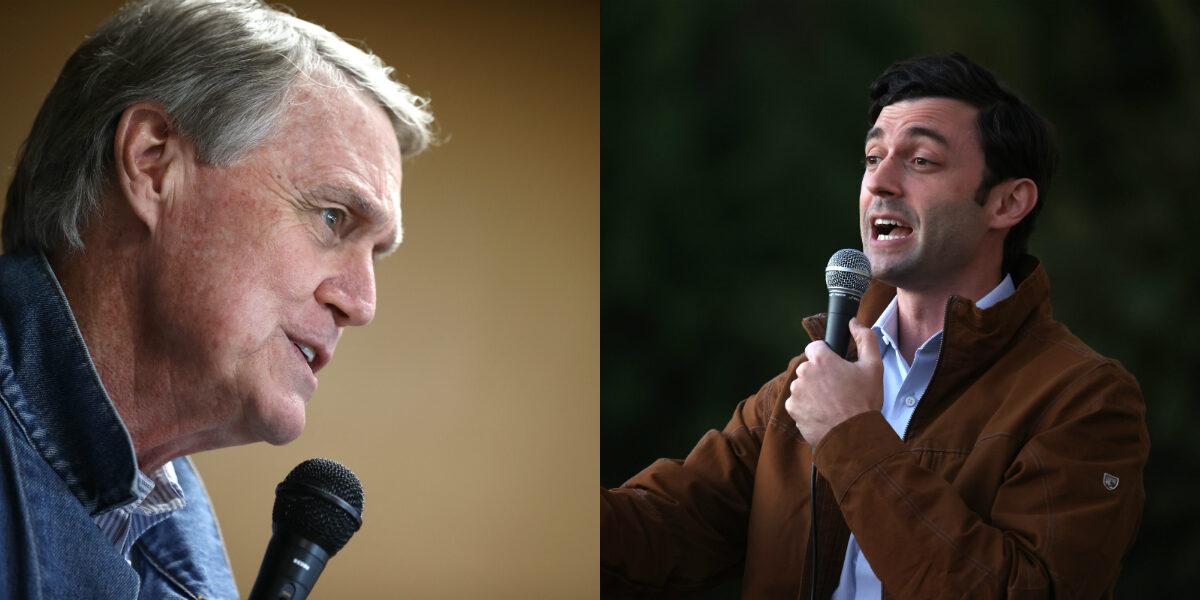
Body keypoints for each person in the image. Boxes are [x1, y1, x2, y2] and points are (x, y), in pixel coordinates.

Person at [601, 54, 1148, 598]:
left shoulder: (1083, 398)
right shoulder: (814, 377)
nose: (880, 182)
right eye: (872, 156)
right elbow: (667, 526)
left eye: (921, 161)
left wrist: (850, 437)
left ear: (1007, 202)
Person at [0, 0, 433, 597]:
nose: (361, 303)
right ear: (153, 164)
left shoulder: (162, 513)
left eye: (376, 252)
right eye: (333, 217)